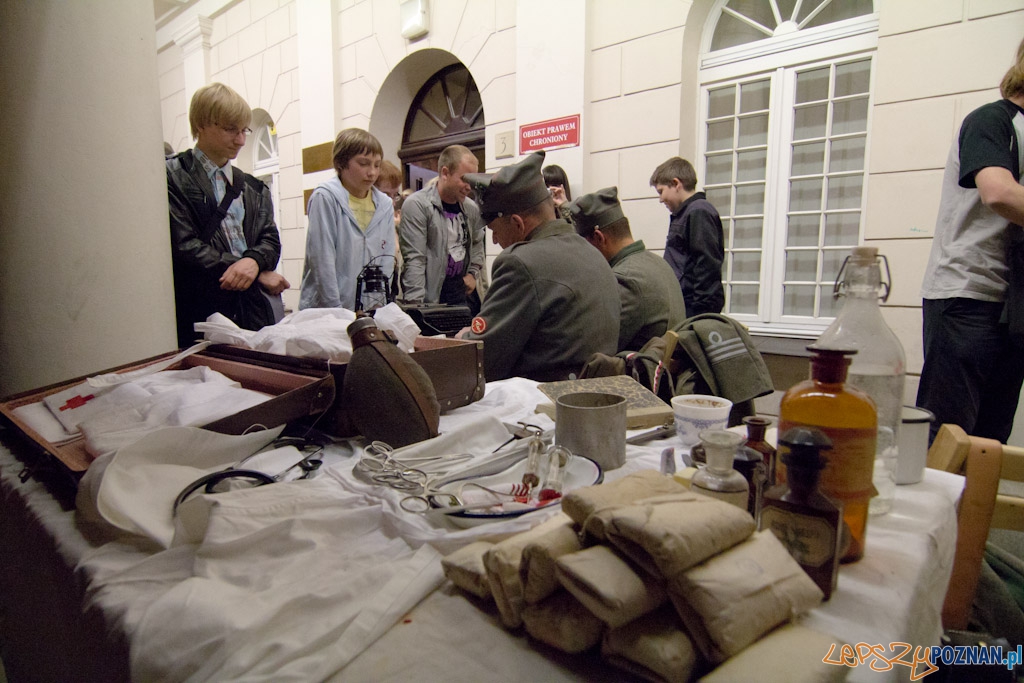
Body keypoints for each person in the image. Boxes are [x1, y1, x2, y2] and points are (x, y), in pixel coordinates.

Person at [916, 41, 1024, 444]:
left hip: (1013, 308)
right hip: (967, 298)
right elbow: (999, 193)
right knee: (948, 440)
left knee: (988, 447)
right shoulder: (992, 121)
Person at [459, 151, 619, 381]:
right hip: (590, 397)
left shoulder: (520, 263)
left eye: (494, 231)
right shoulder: (592, 252)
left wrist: (465, 339)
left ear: (517, 223)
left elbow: (483, 360)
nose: (494, 241)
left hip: (540, 405)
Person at [166, 82, 289, 348]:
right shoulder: (172, 176)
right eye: (230, 129)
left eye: (244, 130)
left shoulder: (253, 187)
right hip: (201, 312)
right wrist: (253, 271)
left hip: (252, 310)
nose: (241, 140)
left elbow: (270, 239)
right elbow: (184, 246)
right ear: (201, 125)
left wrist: (254, 262)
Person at [568, 186, 686, 352]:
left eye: (583, 245)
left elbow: (591, 347)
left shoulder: (626, 279)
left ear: (599, 238)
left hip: (635, 376)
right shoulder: (658, 263)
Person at [299, 128, 395, 311]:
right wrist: (335, 309)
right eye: (364, 164)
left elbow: (386, 257)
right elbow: (322, 259)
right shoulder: (326, 197)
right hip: (328, 309)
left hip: (367, 307)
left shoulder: (384, 204)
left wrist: (377, 302)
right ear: (341, 163)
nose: (372, 172)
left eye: (377, 165)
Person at [398, 145, 485, 310]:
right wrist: (415, 307)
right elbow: (415, 259)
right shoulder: (417, 205)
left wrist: (473, 274)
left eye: (473, 180)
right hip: (429, 298)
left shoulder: (471, 208)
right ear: (445, 173)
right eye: (465, 179)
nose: (469, 186)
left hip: (461, 296)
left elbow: (477, 243)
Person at [649, 157, 725, 317]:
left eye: (661, 191)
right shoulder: (686, 213)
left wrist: (700, 314)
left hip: (693, 307)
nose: (660, 199)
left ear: (676, 183)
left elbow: (706, 264)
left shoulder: (699, 211)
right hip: (684, 303)